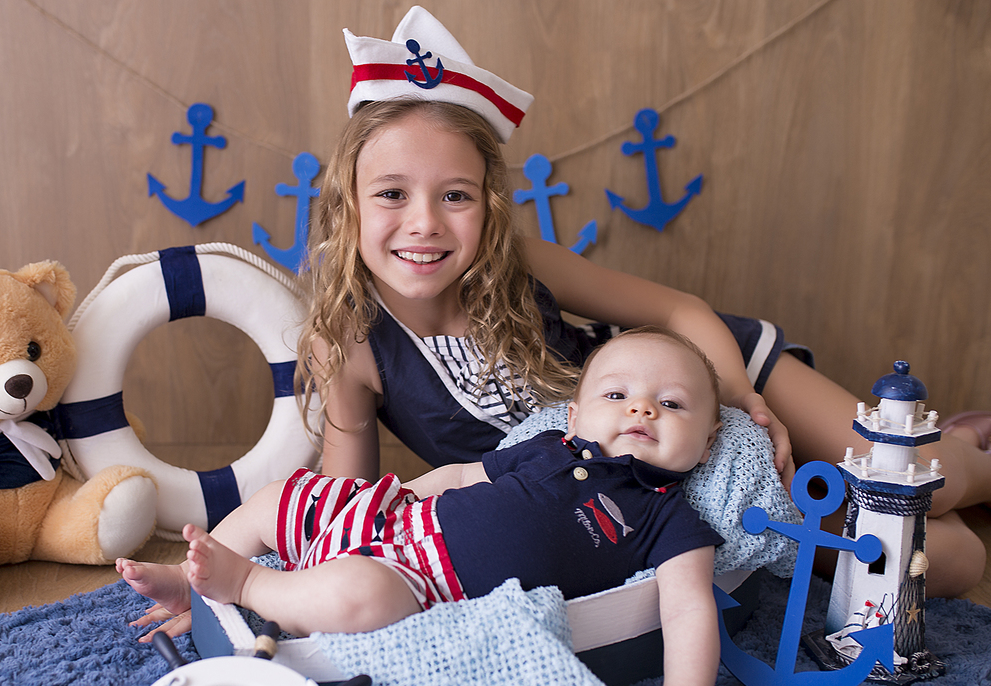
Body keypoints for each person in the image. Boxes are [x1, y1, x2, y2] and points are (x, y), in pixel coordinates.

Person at [291, 6, 987, 598]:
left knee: (931, 479)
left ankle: (970, 452)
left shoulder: (516, 264)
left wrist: (743, 399)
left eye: (455, 195)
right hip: (649, 489)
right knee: (951, 562)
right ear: (346, 202)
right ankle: (945, 449)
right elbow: (348, 514)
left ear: (489, 207)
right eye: (390, 193)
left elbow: (682, 313)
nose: (424, 224)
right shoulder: (348, 342)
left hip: (716, 380)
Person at [120, 327, 727, 686]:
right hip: (395, 518)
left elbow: (687, 609)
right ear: (572, 417)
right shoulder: (545, 447)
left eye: (672, 404)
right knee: (281, 498)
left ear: (706, 443)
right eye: (616, 395)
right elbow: (464, 475)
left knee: (356, 595)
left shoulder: (667, 518)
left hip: (422, 584)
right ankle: (185, 578)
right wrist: (392, 499)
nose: (642, 407)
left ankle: (249, 585)